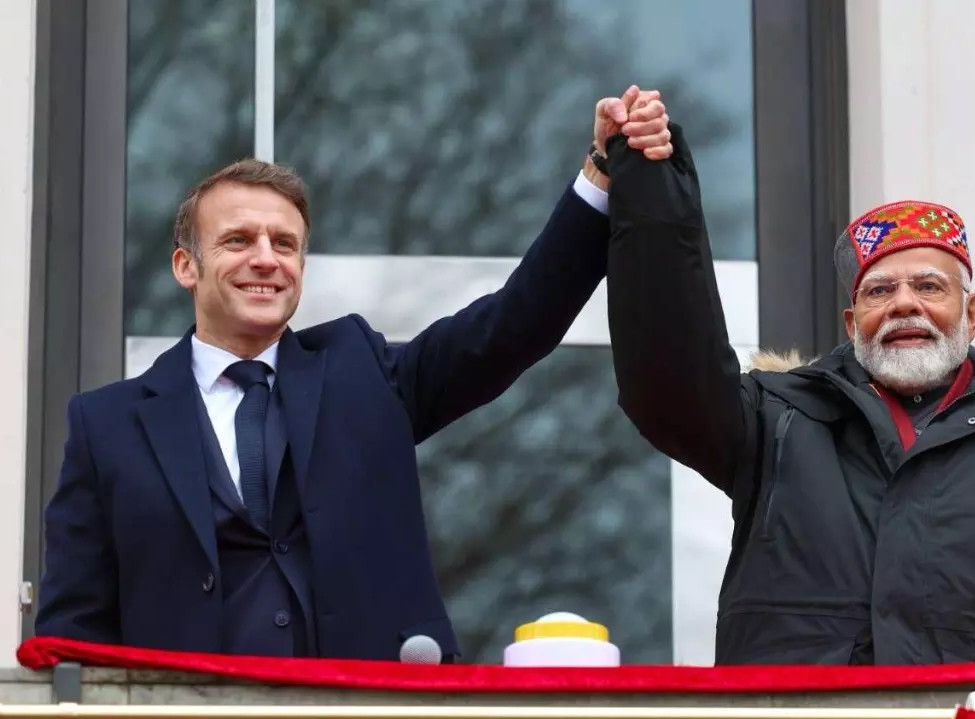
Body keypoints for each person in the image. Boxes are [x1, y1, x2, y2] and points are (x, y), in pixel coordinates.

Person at [34, 86, 674, 661]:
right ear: (186, 266)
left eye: (285, 244)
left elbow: (514, 323)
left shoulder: (362, 373)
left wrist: (600, 175)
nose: (266, 259)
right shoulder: (107, 425)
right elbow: (73, 634)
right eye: (238, 240)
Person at [601, 120, 975, 671]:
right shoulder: (773, 421)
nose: (905, 303)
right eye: (880, 291)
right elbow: (668, 379)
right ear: (852, 322)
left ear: (972, 314)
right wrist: (653, 188)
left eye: (929, 286)